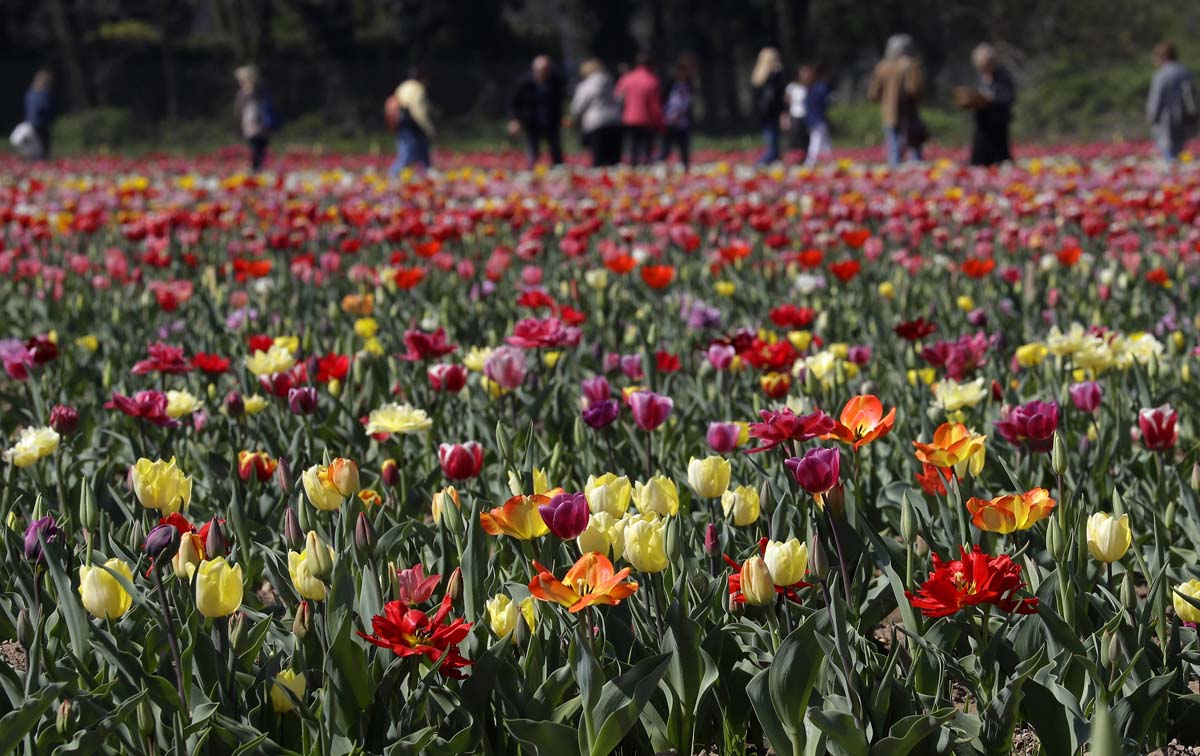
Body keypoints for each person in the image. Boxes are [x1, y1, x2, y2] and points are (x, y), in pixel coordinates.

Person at [868, 35, 925, 166]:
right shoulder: (911, 65)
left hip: (890, 112)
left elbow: (873, 93)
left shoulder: (882, 66)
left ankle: (895, 172)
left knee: (893, 146)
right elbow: (915, 90)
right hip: (909, 112)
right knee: (914, 144)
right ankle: (915, 172)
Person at [958, 44, 1015, 166]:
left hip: (998, 124)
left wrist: (991, 99)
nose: (982, 70)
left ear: (991, 62)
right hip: (982, 124)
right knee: (979, 160)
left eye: (984, 67)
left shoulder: (1003, 75)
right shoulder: (981, 77)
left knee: (999, 160)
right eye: (980, 67)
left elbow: (1008, 97)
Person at [510, 55, 567, 168]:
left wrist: (563, 117)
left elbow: (560, 101)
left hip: (551, 122)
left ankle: (559, 174)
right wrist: (515, 120)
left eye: (546, 70)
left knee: (556, 152)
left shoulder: (555, 82)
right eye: (541, 70)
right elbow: (515, 103)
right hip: (532, 123)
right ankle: (531, 177)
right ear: (534, 70)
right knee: (533, 154)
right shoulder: (525, 83)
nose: (543, 73)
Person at [1146, 42, 1198, 162]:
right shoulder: (1187, 72)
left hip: (1166, 120)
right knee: (1183, 152)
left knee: (1169, 155)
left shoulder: (1162, 75)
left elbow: (1156, 100)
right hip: (1186, 118)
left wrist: (1151, 117)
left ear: (1163, 56)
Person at [569, 59, 623, 167]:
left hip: (596, 123)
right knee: (614, 158)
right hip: (614, 120)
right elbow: (618, 99)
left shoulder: (586, 85)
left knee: (598, 157)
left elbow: (577, 107)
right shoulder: (610, 81)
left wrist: (575, 117)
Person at [614, 52, 663, 166]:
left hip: (629, 118)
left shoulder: (627, 79)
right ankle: (644, 173)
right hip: (647, 120)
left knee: (632, 149)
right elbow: (655, 105)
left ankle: (632, 172)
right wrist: (660, 123)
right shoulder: (652, 80)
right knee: (647, 151)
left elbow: (617, 97)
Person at [389, 67, 435, 174]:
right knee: (410, 153)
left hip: (401, 123)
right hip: (412, 124)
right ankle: (394, 174)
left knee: (414, 151)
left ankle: (426, 173)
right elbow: (418, 110)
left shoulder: (403, 86)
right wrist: (428, 127)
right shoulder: (418, 88)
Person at [234, 65, 274, 172]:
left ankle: (259, 165)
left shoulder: (260, 91)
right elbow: (239, 110)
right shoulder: (242, 94)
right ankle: (256, 166)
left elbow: (267, 106)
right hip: (250, 123)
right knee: (254, 145)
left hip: (262, 122)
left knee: (262, 144)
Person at [658, 56, 695, 169]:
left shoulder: (689, 85)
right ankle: (660, 167)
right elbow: (663, 100)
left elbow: (689, 103)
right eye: (681, 70)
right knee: (666, 148)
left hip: (683, 122)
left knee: (684, 148)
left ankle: (685, 167)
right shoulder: (670, 84)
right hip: (669, 121)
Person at [751, 47, 786, 165]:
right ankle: (763, 162)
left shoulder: (758, 76)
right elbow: (779, 97)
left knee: (770, 137)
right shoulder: (776, 75)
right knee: (773, 140)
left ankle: (771, 160)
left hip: (763, 113)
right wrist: (783, 112)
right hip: (773, 112)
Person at [802, 65, 833, 167]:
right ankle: (810, 163)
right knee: (816, 141)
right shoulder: (820, 88)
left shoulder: (811, 88)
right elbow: (825, 103)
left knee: (825, 141)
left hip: (814, 119)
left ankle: (829, 161)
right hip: (817, 119)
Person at [24, 69, 53, 160]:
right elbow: (44, 107)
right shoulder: (44, 93)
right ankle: (41, 162)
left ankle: (36, 162)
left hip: (31, 122)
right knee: (42, 145)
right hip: (41, 123)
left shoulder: (30, 92)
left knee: (33, 145)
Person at [784, 67, 809, 155]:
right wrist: (785, 117)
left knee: (805, 138)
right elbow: (786, 101)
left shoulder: (806, 87)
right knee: (794, 136)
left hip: (805, 115)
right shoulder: (791, 87)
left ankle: (804, 156)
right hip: (795, 114)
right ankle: (790, 155)